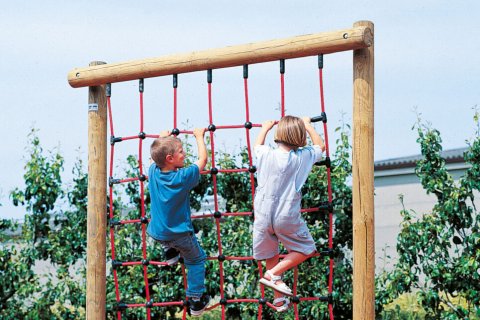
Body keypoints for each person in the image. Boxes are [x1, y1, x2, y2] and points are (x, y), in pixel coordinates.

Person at [253, 115, 325, 312]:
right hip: (286, 215)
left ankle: (278, 298)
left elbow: (257, 146)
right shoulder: (302, 157)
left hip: (262, 215)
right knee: (307, 248)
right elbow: (320, 146)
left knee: (270, 253)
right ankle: (273, 275)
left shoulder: (266, 154)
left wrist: (265, 128)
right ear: (299, 137)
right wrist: (309, 126)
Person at [147, 128, 211, 317]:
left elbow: (153, 159)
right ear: (170, 158)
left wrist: (162, 138)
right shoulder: (182, 177)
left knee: (165, 235)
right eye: (181, 151)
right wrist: (199, 136)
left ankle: (169, 250)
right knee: (196, 260)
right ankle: (196, 300)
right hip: (181, 234)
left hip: (157, 232)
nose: (184, 154)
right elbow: (203, 161)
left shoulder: (153, 171)